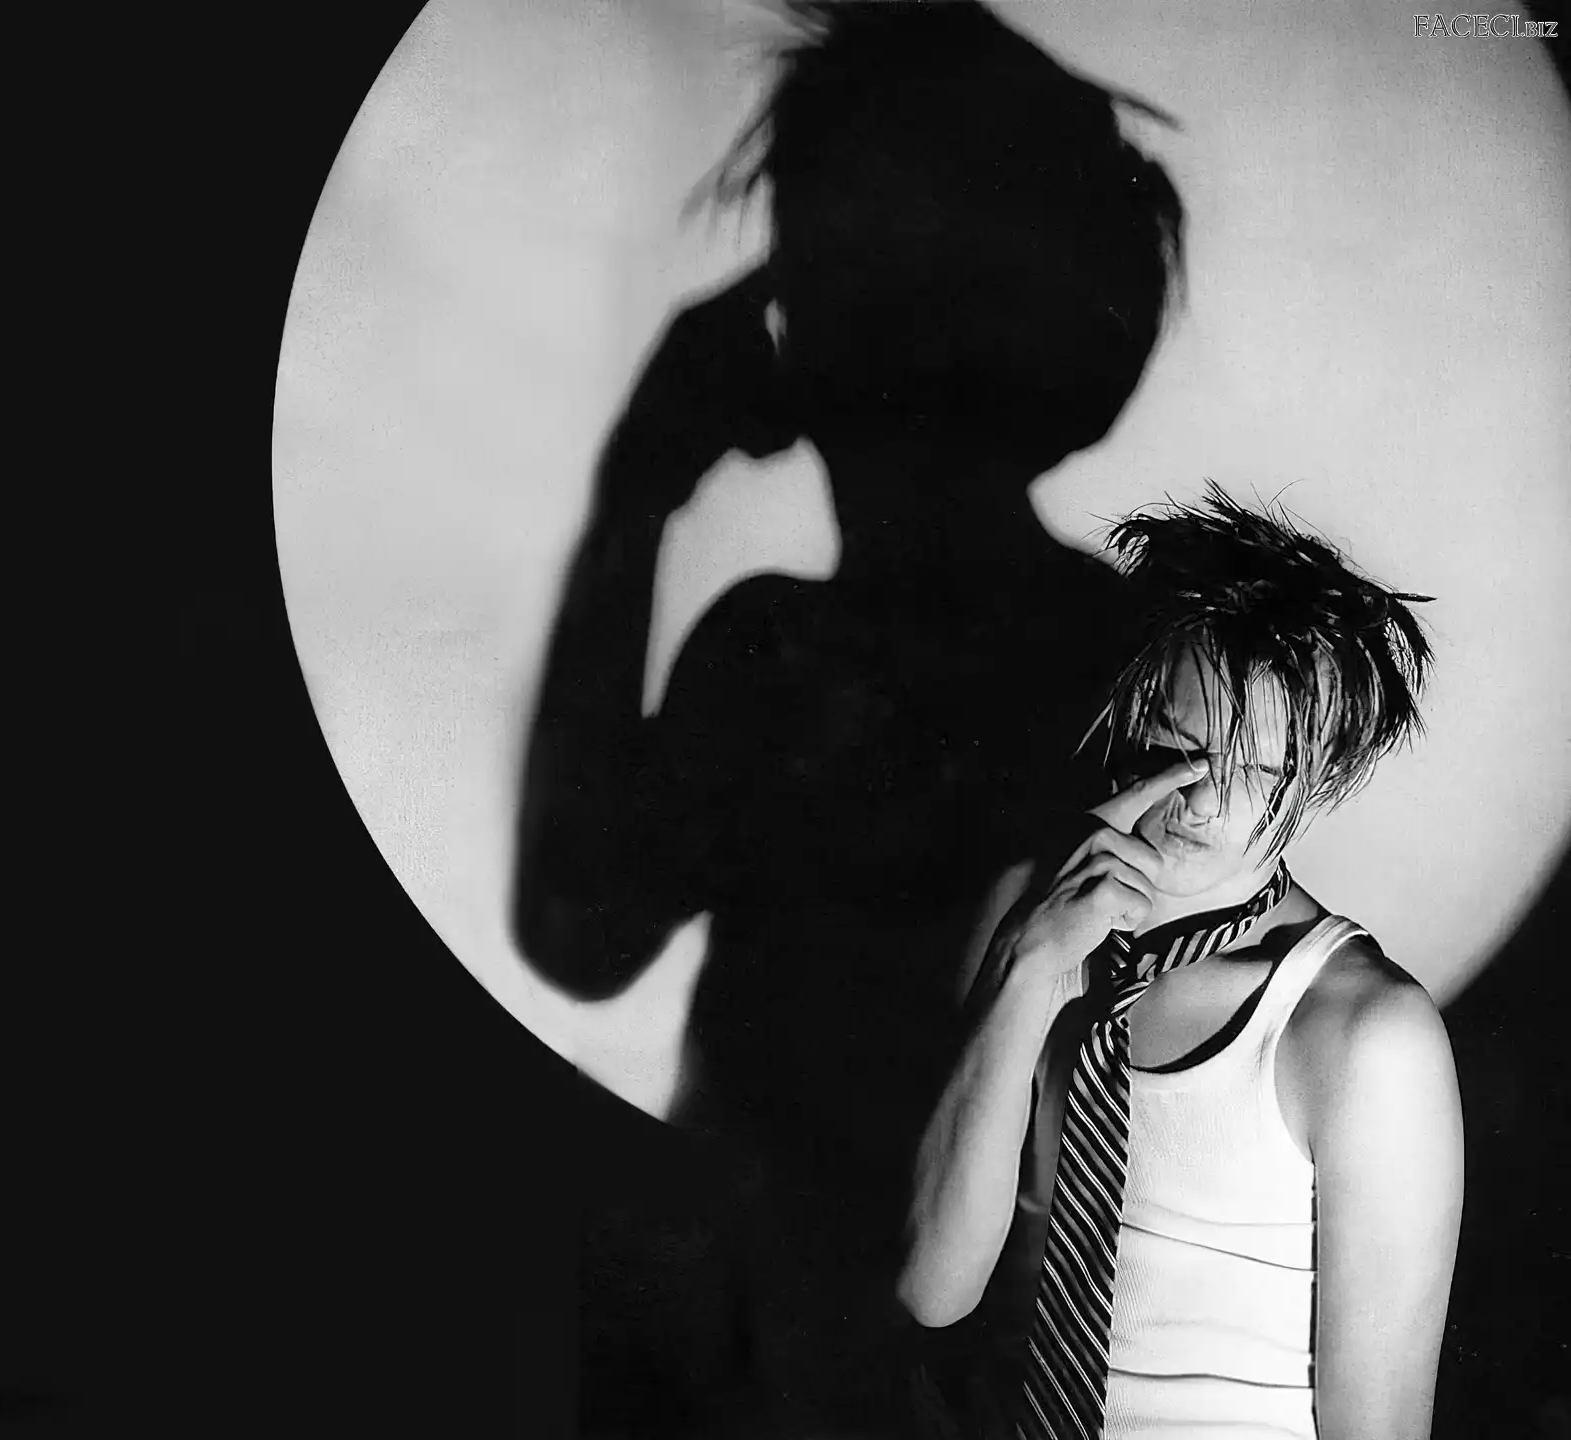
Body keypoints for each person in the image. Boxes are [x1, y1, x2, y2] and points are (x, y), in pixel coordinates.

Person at [512, 2, 1186, 1434]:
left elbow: (577, 927)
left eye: (822, 243)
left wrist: (638, 493)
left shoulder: (789, 655)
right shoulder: (1120, 655)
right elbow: (577, 932)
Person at [897, 484, 1463, 1440]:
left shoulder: (1364, 1033)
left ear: (1318, 777)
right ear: (1131, 712)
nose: (1205, 800)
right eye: (1184, 749)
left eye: (1259, 771)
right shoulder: (1031, 916)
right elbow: (932, 1290)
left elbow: (1381, 1429)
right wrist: (1029, 970)